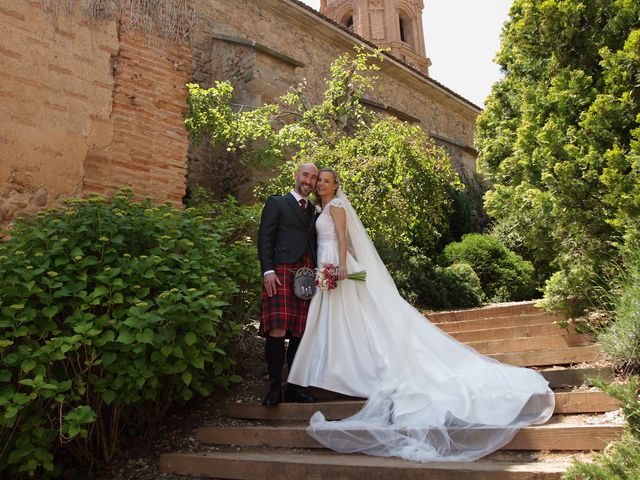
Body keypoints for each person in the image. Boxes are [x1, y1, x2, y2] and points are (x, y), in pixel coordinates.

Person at [288, 168, 555, 462]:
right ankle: (328, 369)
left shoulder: (336, 206)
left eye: (326, 181)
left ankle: (336, 370)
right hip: (325, 264)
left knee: (350, 315)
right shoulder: (319, 207)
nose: (322, 185)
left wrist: (340, 265)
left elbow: (341, 236)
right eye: (320, 181)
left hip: (336, 265)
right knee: (339, 317)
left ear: (335, 185)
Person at [257, 163, 319, 406]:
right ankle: (274, 389)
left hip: (307, 273)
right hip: (281, 270)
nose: (309, 181)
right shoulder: (277, 202)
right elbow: (265, 237)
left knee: (299, 331)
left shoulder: (314, 210)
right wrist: (268, 270)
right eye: (305, 175)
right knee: (277, 329)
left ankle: (293, 388)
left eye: (314, 178)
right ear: (296, 175)